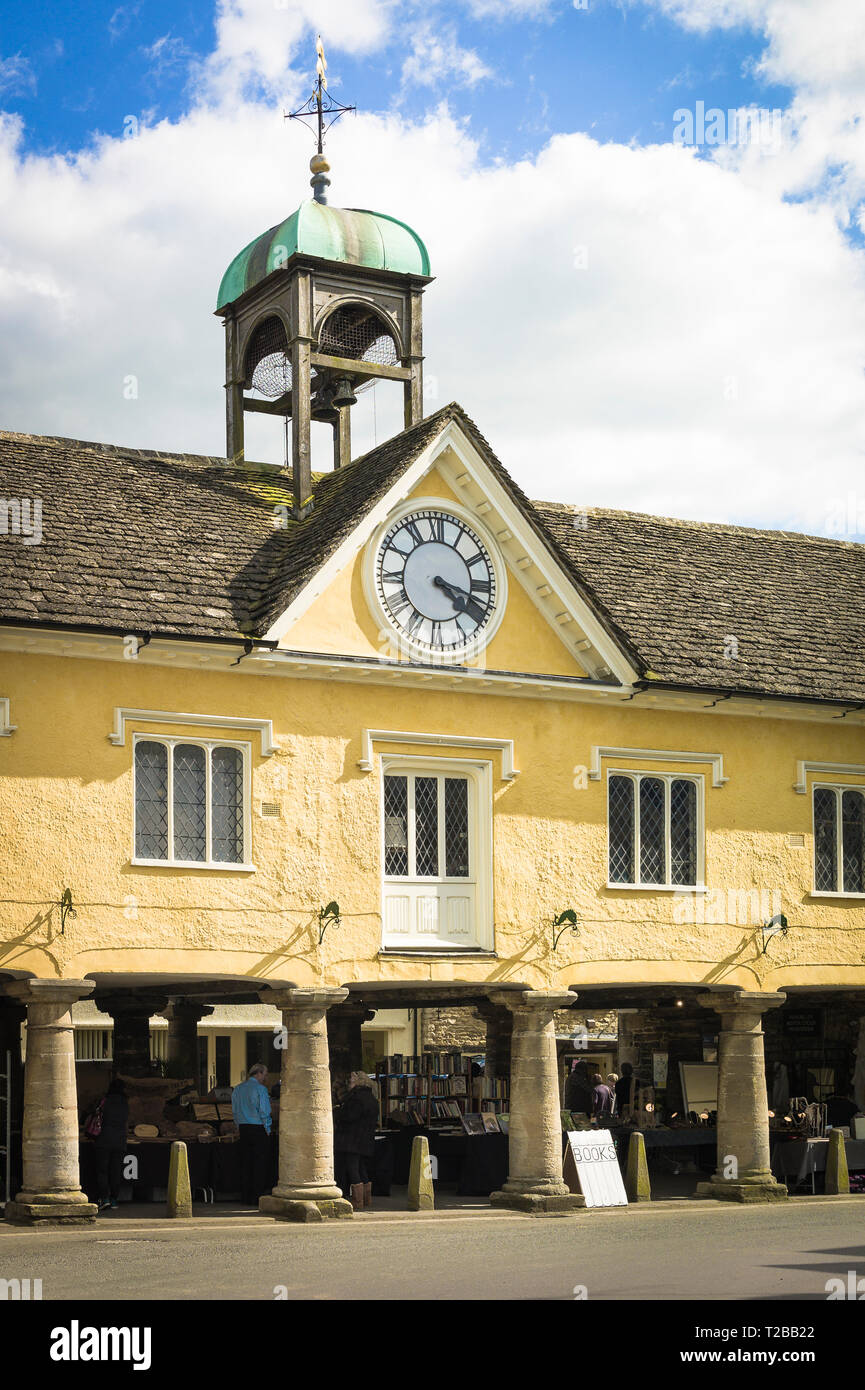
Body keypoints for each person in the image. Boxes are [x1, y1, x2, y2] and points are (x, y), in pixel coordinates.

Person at [334, 1070, 379, 1211]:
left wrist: (337, 1112)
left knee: (352, 1167)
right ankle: (367, 1199)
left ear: (359, 1081)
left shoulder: (356, 1098)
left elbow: (349, 1116)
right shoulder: (371, 1098)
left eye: (352, 1080)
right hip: (365, 1138)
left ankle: (357, 1201)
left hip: (352, 1138)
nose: (349, 1083)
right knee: (361, 1167)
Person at [231, 1063, 272, 1206]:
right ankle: (256, 1196)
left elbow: (235, 1111)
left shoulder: (238, 1089)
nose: (266, 1078)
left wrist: (238, 1126)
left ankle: (245, 1196)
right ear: (258, 1073)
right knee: (259, 1164)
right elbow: (264, 1111)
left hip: (243, 1127)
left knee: (246, 1163)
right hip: (258, 1128)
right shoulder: (260, 1089)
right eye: (265, 1075)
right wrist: (267, 1128)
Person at [94, 1078, 129, 1212]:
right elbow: (126, 1122)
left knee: (102, 1171)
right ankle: (114, 1199)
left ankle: (104, 1198)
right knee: (115, 1171)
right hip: (119, 1140)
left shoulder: (104, 1101)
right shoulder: (125, 1103)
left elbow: (95, 1116)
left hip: (103, 1139)